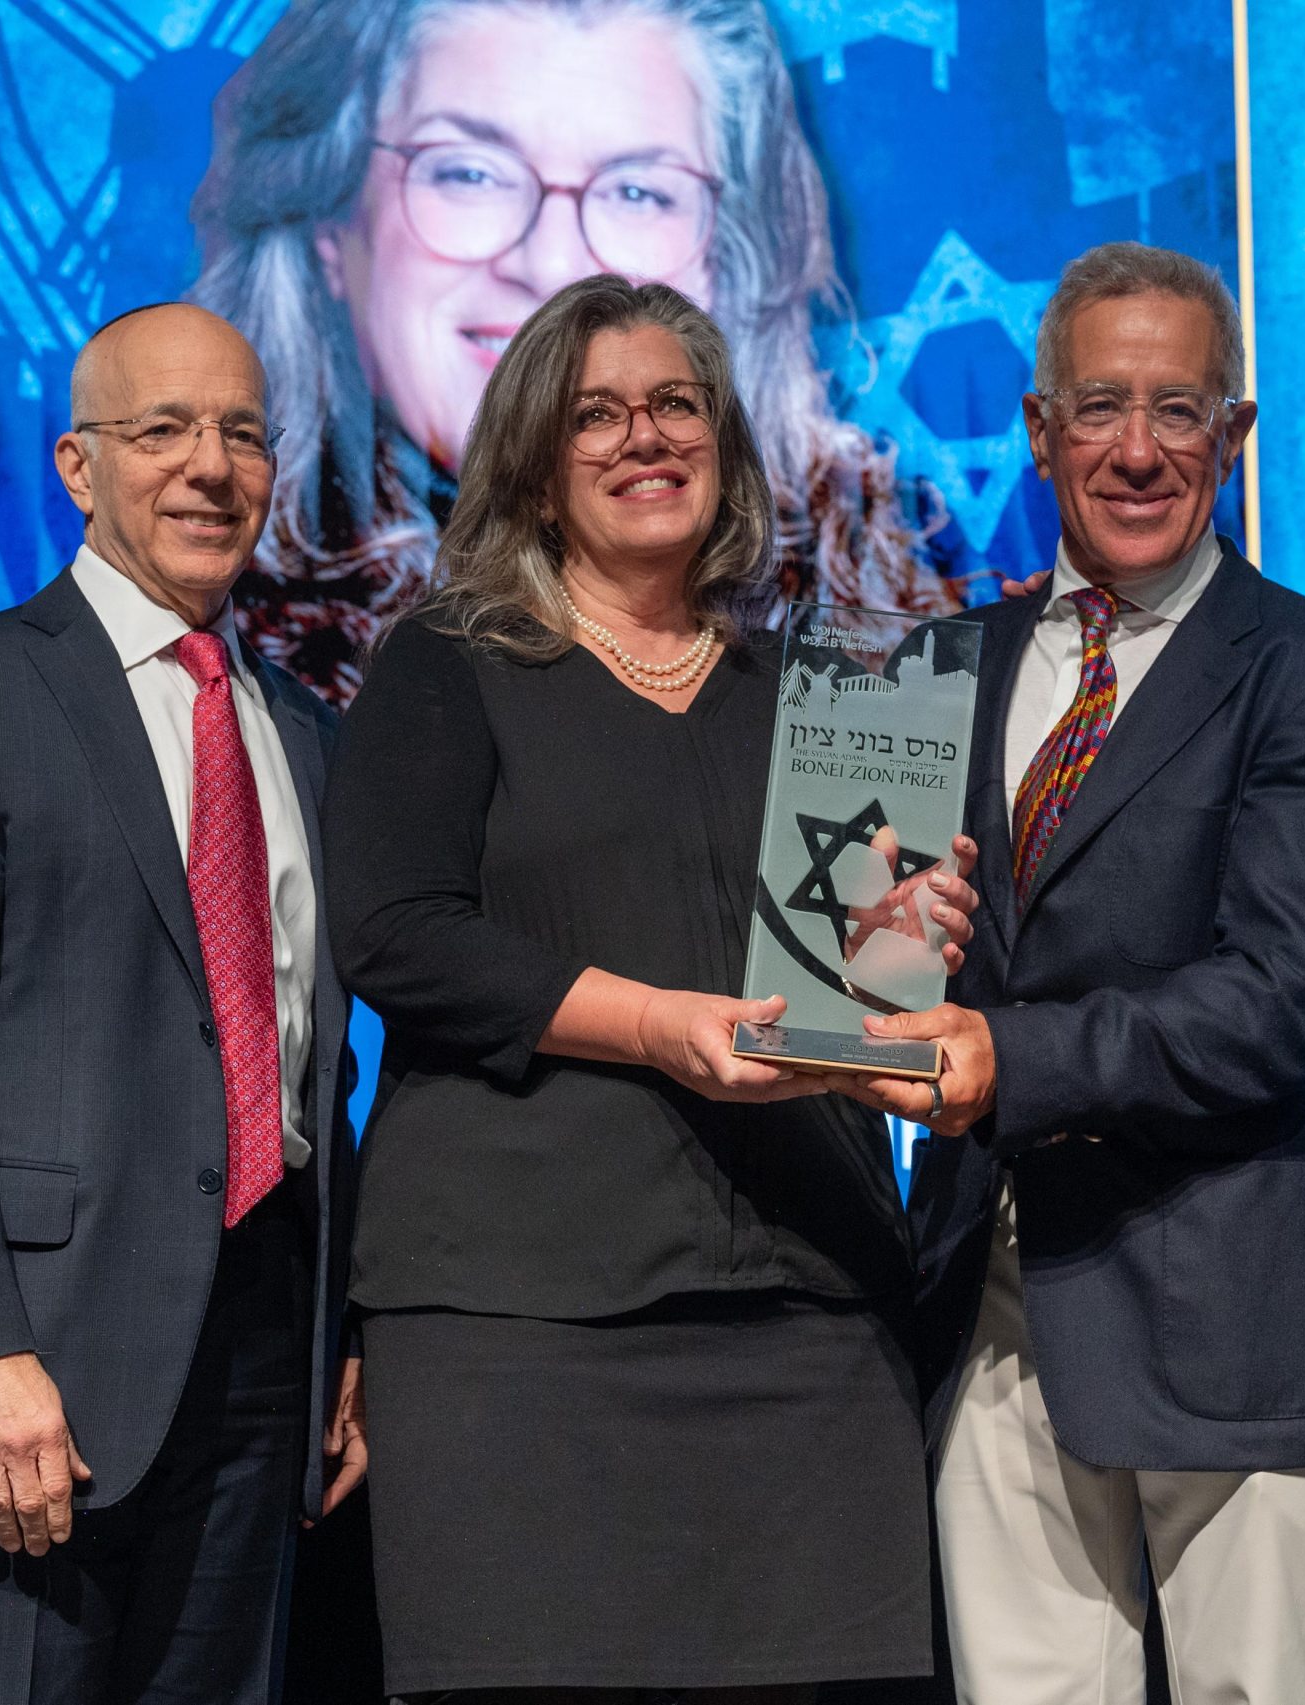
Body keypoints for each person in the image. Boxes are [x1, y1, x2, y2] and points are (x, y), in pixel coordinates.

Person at [322, 273, 980, 1701]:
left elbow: (857, 1011)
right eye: (596, 416)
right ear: (535, 468)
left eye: (676, 404)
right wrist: (658, 1027)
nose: (645, 437)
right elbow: (394, 933)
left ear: (723, 445)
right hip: (518, 1330)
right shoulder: (449, 661)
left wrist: (914, 943)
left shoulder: (826, 695)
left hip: (809, 1322)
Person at [840, 243, 1305, 1705]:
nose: (1139, 451)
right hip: (989, 1304)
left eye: (1180, 410)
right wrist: (873, 958)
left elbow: (1274, 1005)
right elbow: (877, 995)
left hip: (1231, 1313)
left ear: (1236, 434)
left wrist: (1005, 1058)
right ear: (1040, 430)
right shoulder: (928, 668)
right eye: (1101, 406)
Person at [0, 302, 365, 1703]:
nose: (210, 467)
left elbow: (314, 1063)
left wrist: (339, 1335)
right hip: (23, 1367)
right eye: (162, 429)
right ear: (78, 465)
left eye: (243, 433)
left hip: (259, 1375)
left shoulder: (307, 732)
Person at [192, 0, 952, 705]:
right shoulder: (212, 656)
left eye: (638, 192)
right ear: (330, 215)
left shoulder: (880, 639)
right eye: (470, 173)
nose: (553, 266)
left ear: (730, 256)